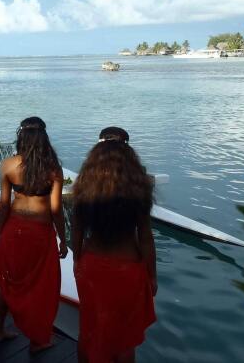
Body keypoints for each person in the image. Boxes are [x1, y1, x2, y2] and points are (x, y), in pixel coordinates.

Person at [72, 126, 157, 363]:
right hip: (128, 268)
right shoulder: (140, 185)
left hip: (92, 266)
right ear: (128, 152)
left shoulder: (85, 183)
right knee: (124, 339)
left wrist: (77, 260)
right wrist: (152, 275)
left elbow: (77, 229)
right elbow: (145, 236)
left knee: (89, 330)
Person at [0, 117, 68, 352]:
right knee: (41, 287)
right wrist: (63, 239)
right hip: (40, 234)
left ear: (21, 138)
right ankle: (37, 341)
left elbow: (4, 205)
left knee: (7, 282)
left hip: (13, 230)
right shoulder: (53, 169)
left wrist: (0, 234)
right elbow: (56, 209)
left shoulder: (8, 165)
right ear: (44, 138)